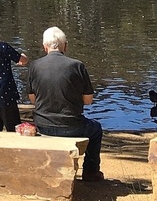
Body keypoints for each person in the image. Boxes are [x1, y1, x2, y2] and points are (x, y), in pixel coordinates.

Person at [25, 26, 104, 182]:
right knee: (96, 129)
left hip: (42, 125)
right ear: (65, 46)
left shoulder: (34, 66)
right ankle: (90, 172)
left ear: (44, 46)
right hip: (72, 126)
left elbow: (32, 98)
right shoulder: (77, 66)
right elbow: (88, 100)